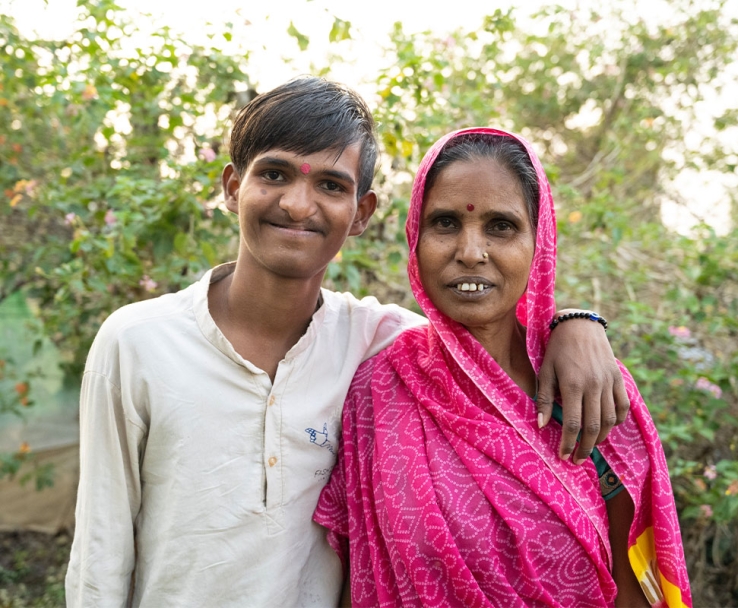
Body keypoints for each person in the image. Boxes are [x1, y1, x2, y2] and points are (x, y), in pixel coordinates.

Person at [66, 79, 631, 607]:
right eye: (276, 175)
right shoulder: (137, 342)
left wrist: (574, 323)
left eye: (330, 186)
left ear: (361, 213)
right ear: (234, 186)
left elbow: (481, 326)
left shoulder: (377, 344)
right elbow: (101, 549)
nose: (297, 205)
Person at [314, 127, 692, 607]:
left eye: (501, 226)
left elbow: (633, 581)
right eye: (446, 223)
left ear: (540, 242)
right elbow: (362, 574)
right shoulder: (378, 389)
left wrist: (577, 321)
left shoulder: (590, 387)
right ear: (416, 235)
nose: (471, 252)